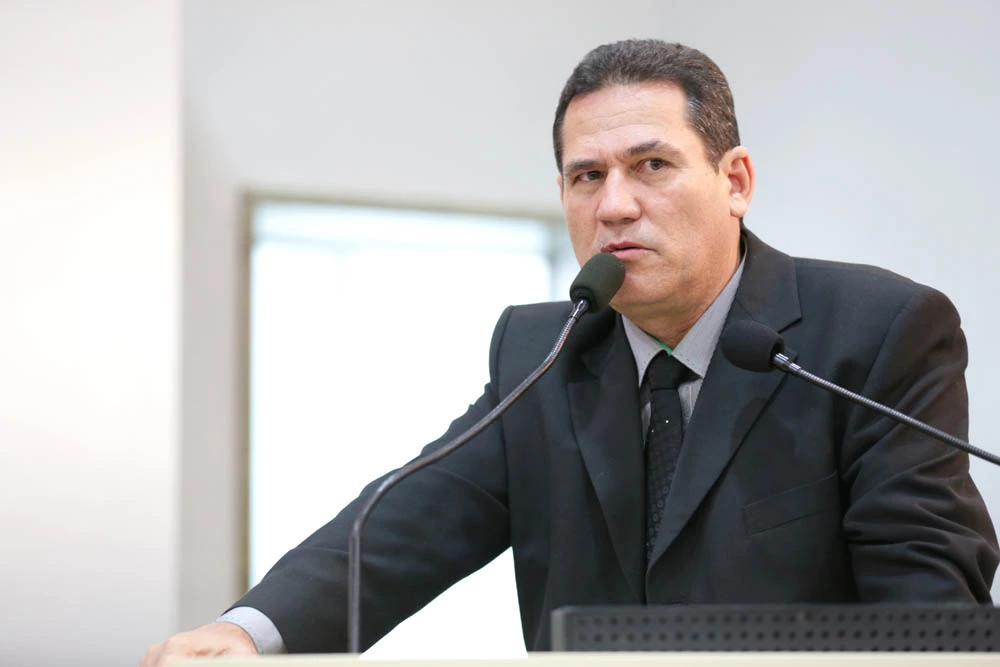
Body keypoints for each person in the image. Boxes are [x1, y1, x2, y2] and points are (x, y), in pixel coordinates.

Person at [141, 39, 999, 665]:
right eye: (587, 176)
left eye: (651, 164)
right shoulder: (543, 351)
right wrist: (246, 632)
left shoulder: (874, 332)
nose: (615, 205)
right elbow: (404, 526)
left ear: (735, 181)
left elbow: (929, 613)